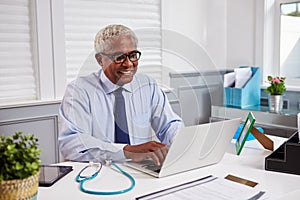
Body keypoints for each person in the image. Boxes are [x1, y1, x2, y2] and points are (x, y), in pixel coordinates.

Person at [59, 24, 183, 166]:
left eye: (133, 55)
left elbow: (169, 125)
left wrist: (178, 142)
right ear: (100, 60)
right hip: (100, 173)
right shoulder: (79, 90)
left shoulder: (148, 85)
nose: (129, 64)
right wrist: (126, 151)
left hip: (141, 171)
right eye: (119, 57)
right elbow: (71, 143)